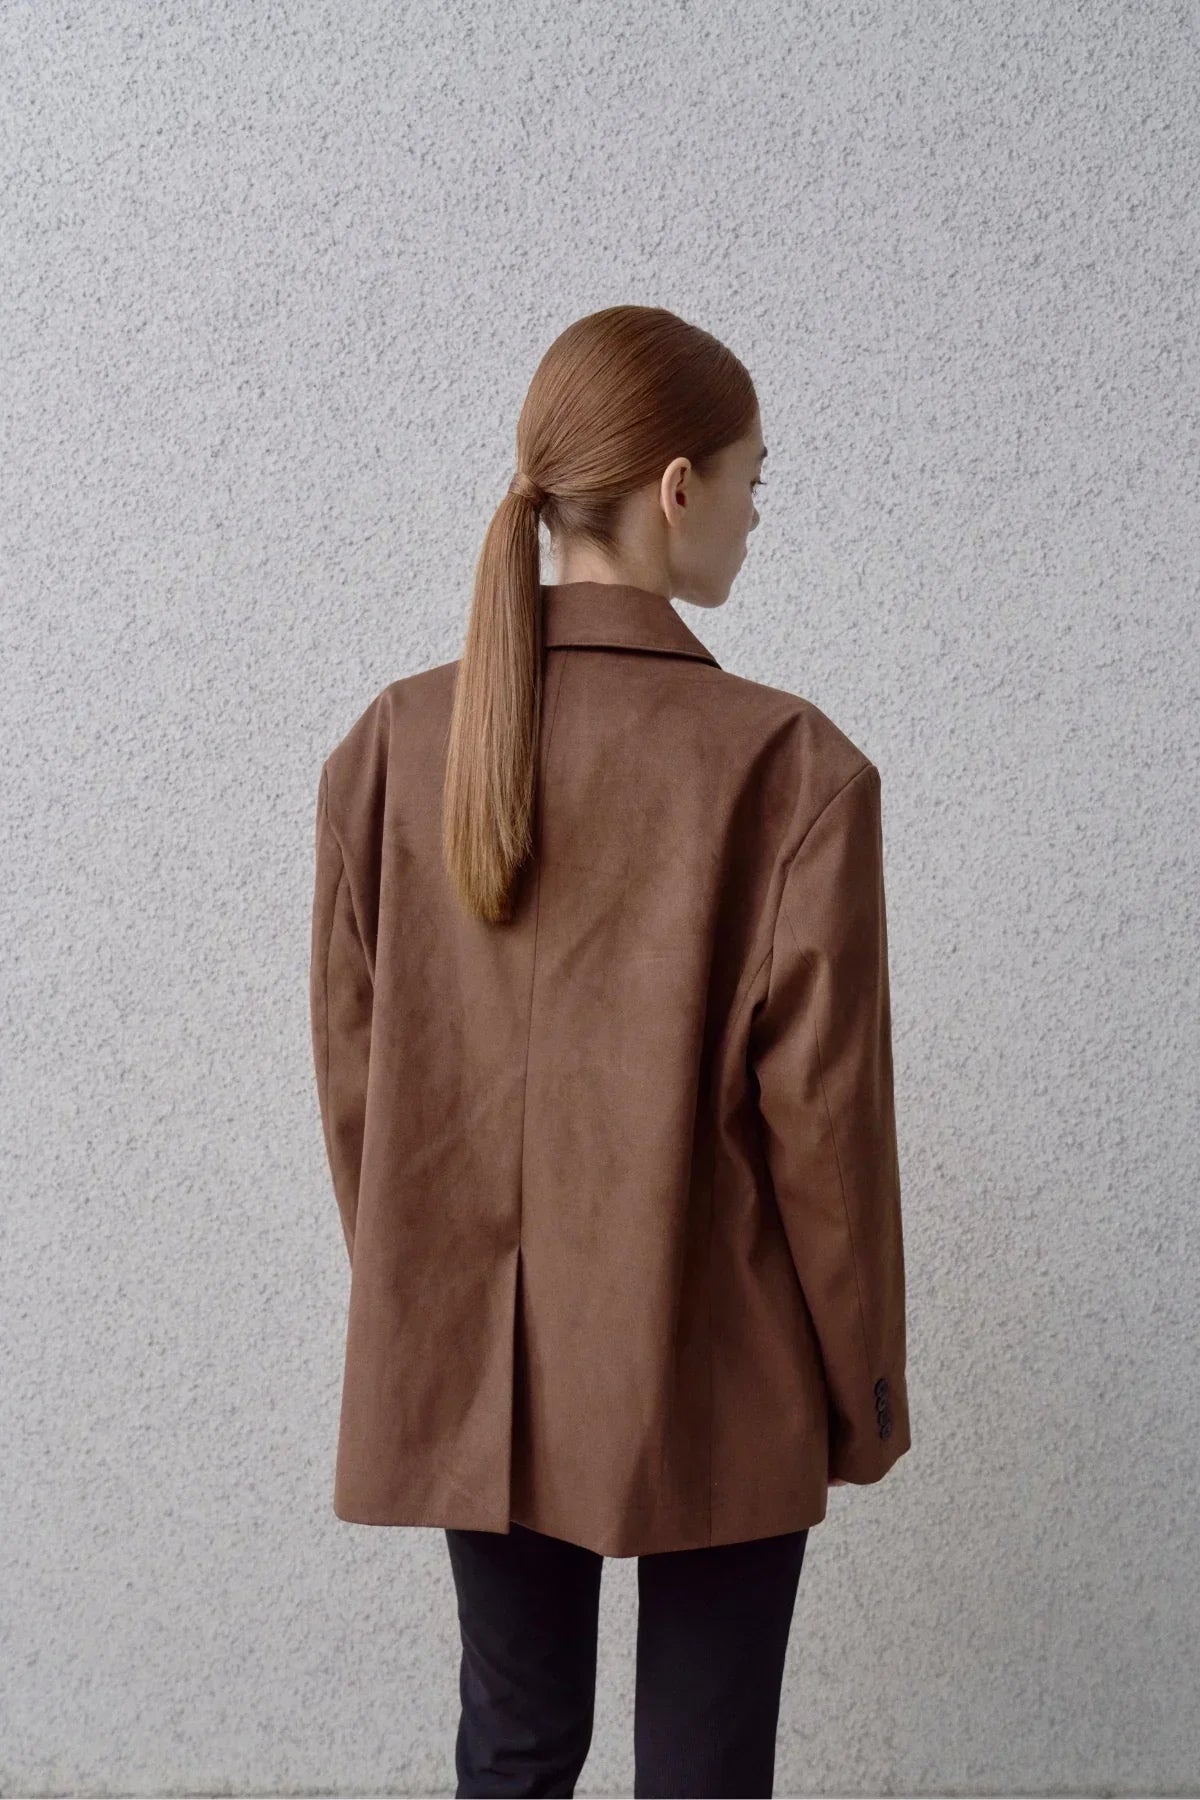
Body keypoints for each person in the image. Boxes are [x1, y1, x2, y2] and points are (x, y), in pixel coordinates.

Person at [309, 304, 911, 1798]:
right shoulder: (791, 768)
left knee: (512, 1752)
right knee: (705, 1775)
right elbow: (825, 1133)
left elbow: (360, 1091)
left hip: (485, 1364)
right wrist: (862, 1395)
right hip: (723, 1361)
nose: (760, 514)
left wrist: (435, 1301)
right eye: (757, 476)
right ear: (676, 488)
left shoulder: (391, 746)